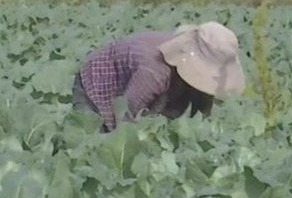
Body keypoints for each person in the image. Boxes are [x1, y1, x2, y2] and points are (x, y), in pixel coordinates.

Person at [71, 21, 247, 132]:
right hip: (96, 84)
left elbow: (202, 115)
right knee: (92, 140)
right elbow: (125, 118)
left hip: (145, 83)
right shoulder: (154, 72)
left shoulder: (181, 71)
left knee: (162, 121)